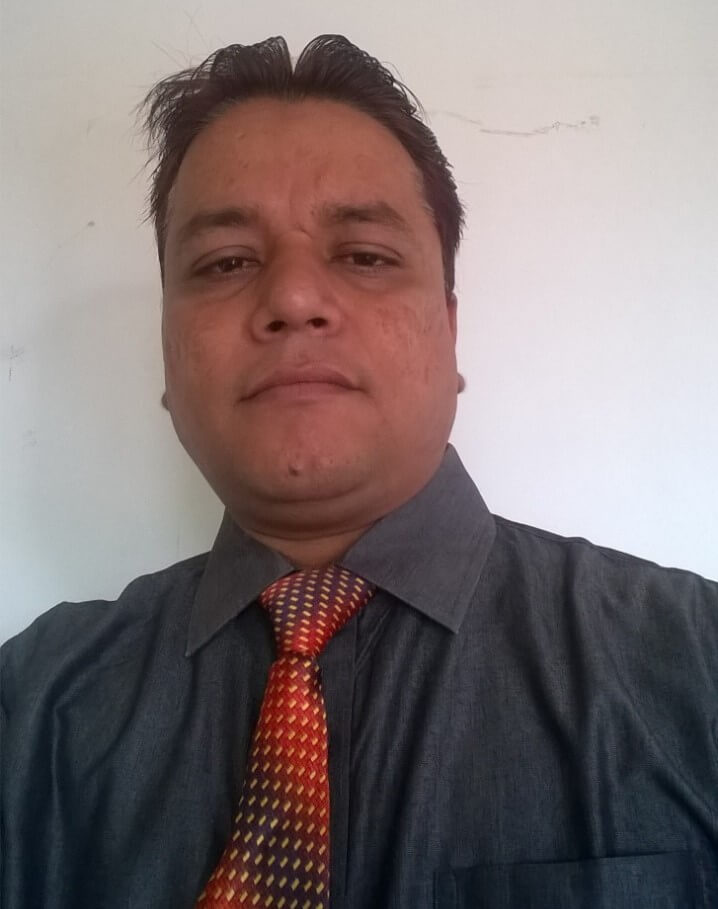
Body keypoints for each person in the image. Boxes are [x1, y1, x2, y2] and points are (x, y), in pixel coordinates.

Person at [1, 34, 716, 909]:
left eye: (365, 255)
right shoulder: (32, 709)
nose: (293, 298)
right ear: (166, 353)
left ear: (450, 331)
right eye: (226, 263)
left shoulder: (693, 667)